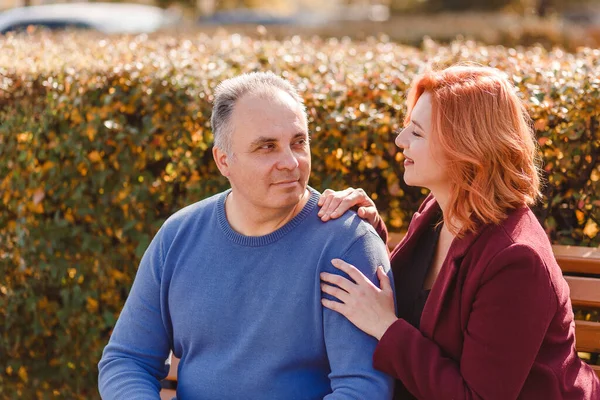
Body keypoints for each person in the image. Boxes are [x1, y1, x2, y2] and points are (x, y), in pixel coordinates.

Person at [97, 71, 394, 399]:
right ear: (224, 160)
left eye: (298, 142)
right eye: (267, 147)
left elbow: (362, 388)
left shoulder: (346, 245)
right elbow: (127, 359)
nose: (290, 162)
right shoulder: (178, 236)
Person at [318, 65, 600, 399]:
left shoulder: (517, 261)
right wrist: (365, 226)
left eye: (418, 133)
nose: (400, 140)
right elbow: (417, 299)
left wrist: (385, 326)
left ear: (467, 148)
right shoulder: (439, 210)